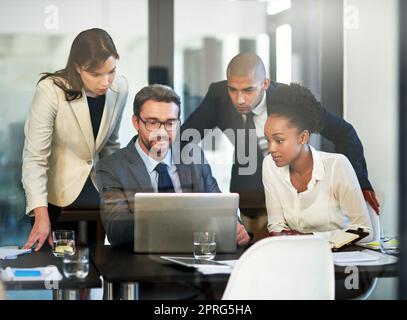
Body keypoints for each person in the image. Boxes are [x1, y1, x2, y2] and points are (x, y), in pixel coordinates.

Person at [181, 52, 379, 239]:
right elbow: (185, 138)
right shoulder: (219, 96)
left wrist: (360, 182)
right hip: (249, 196)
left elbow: (344, 132)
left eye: (249, 90)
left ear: (265, 84)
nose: (239, 99)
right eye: (233, 90)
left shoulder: (289, 100)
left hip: (292, 199)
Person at [96, 84, 250, 247]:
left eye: (170, 123)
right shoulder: (112, 167)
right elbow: (117, 230)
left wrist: (234, 226)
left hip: (195, 258)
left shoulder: (193, 156)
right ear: (136, 122)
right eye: (153, 123)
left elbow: (219, 205)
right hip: (142, 262)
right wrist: (183, 222)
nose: (161, 132)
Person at [22, 28, 128, 251]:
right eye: (96, 74)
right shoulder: (51, 91)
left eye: (111, 71)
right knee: (60, 272)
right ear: (79, 67)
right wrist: (40, 214)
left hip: (97, 196)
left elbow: (110, 145)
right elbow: (35, 158)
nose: (106, 81)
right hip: (56, 200)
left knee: (94, 269)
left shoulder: (120, 88)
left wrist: (118, 194)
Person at [263, 83, 372, 241]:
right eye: (268, 140)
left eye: (279, 140)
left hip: (338, 260)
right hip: (296, 256)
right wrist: (281, 235)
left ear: (303, 137)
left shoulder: (337, 165)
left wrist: (311, 238)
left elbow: (365, 231)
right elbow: (276, 224)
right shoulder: (270, 165)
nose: (271, 148)